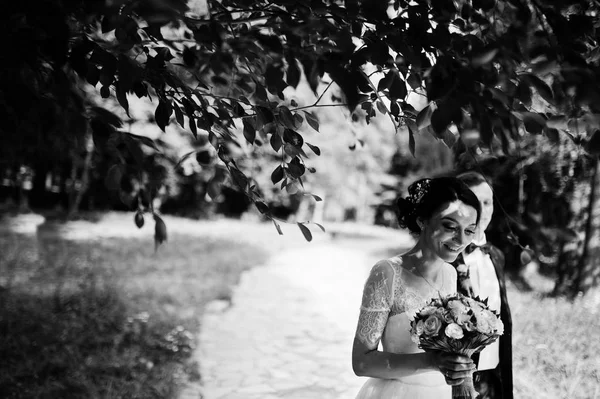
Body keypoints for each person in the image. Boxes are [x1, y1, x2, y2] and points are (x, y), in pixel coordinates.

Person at [352, 177, 482, 399]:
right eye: (450, 226)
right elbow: (362, 362)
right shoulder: (387, 273)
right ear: (423, 220)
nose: (461, 239)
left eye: (469, 230)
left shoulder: (450, 274)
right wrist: (430, 362)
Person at [455, 171, 513, 399]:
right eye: (476, 202)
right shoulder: (449, 258)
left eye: (488, 202)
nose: (484, 210)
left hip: (493, 368)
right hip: (459, 371)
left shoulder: (496, 255)